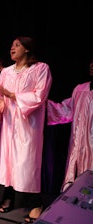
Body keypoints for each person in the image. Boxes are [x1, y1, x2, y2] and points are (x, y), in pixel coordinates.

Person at [0, 36, 52, 222]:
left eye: (17, 45)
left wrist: (12, 95)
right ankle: (8, 197)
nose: (12, 48)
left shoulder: (40, 69)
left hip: (28, 122)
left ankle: (35, 203)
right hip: (10, 123)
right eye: (11, 45)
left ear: (27, 49)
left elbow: (39, 95)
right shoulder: (6, 72)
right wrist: (1, 100)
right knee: (8, 162)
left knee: (26, 163)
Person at [46, 58, 93, 191]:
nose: (92, 65)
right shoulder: (80, 89)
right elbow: (67, 110)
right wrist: (43, 104)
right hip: (77, 142)